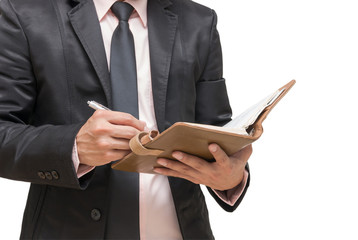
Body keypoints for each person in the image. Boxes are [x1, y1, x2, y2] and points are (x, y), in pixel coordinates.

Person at [0, 0, 252, 239]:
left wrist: (231, 177)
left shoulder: (199, 21)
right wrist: (73, 147)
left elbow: (217, 131)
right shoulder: (22, 13)